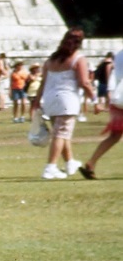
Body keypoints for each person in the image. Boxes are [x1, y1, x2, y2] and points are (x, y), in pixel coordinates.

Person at [34, 28, 95, 179]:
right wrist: (95, 99)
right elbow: (84, 82)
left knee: (61, 133)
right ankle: (50, 167)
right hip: (67, 100)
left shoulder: (51, 60)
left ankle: (69, 162)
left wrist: (36, 100)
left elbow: (43, 82)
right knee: (61, 134)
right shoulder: (78, 58)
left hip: (50, 99)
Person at [76, 67, 123, 178]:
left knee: (114, 136)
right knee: (115, 136)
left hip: (118, 99)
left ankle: (92, 162)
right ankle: (91, 163)